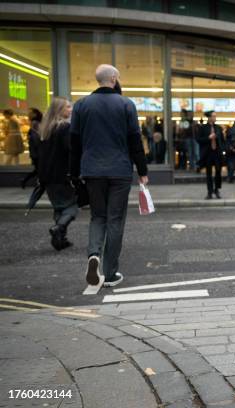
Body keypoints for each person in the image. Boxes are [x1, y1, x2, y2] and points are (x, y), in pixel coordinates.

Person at [70, 64, 148, 288]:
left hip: (92, 170)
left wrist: (74, 173)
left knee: (98, 217)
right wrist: (142, 171)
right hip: (119, 170)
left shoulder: (81, 105)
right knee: (115, 219)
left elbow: (74, 143)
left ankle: (93, 254)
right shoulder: (126, 104)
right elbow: (135, 140)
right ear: (113, 78)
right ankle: (110, 272)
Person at [38, 98, 78, 251]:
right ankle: (59, 228)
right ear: (59, 110)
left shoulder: (46, 129)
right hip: (62, 175)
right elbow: (70, 152)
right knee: (71, 207)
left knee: (59, 208)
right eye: (68, 107)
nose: (70, 110)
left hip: (47, 176)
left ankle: (60, 239)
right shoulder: (64, 128)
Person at [197, 110, 224, 199]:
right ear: (209, 118)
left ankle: (217, 190)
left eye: (215, 116)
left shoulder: (218, 128)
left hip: (217, 152)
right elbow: (198, 140)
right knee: (208, 173)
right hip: (208, 153)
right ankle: (209, 191)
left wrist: (222, 149)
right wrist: (208, 138)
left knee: (218, 172)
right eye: (213, 116)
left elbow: (222, 140)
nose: (215, 118)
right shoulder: (203, 128)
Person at [21, 108, 43, 188]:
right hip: (36, 152)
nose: (28, 115)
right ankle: (39, 183)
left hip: (35, 152)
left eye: (30, 113)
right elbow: (36, 138)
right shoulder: (35, 123)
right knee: (39, 169)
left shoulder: (34, 123)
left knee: (38, 169)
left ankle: (26, 180)